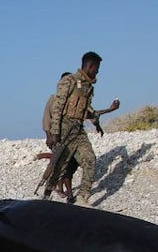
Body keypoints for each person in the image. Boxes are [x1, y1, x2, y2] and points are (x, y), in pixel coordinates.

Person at [44, 52, 120, 205]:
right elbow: (58, 107)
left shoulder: (88, 87)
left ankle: (83, 197)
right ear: (90, 66)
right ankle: (46, 195)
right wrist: (54, 132)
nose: (97, 72)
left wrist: (99, 121)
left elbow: (87, 110)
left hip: (78, 130)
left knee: (89, 159)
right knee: (59, 166)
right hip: (64, 129)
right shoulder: (69, 81)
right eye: (96, 69)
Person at [41, 73, 74, 198]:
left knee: (68, 166)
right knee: (58, 164)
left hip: (71, 138)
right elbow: (46, 118)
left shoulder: (74, 100)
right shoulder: (54, 99)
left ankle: (68, 192)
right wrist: (48, 135)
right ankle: (55, 190)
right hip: (57, 138)